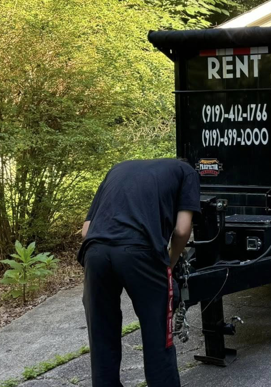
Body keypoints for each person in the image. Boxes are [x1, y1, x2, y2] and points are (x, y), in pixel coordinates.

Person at [78, 158, 200, 387]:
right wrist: (170, 265)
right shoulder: (187, 172)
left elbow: (86, 230)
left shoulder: (118, 169)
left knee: (102, 335)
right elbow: (182, 229)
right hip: (139, 250)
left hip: (95, 252)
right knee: (157, 336)